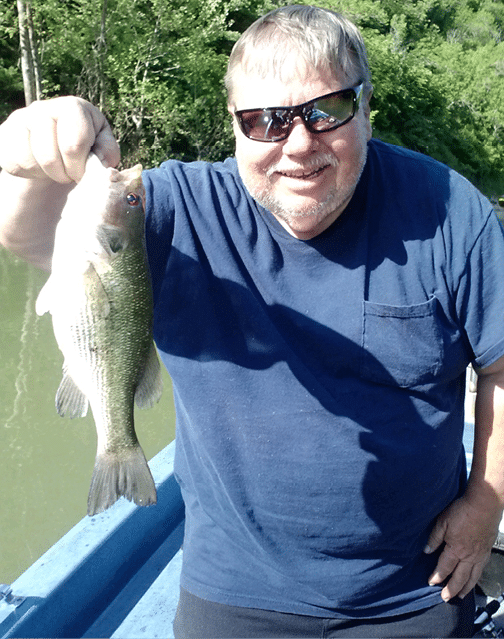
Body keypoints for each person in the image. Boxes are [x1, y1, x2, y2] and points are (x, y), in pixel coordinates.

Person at [1, 5, 504, 638]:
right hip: (234, 587)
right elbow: (33, 241)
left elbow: (501, 368)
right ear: (235, 127)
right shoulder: (179, 209)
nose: (298, 144)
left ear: (366, 107)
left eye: (326, 110)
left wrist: (485, 504)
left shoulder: (449, 210)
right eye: (264, 120)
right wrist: (25, 167)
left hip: (414, 587)